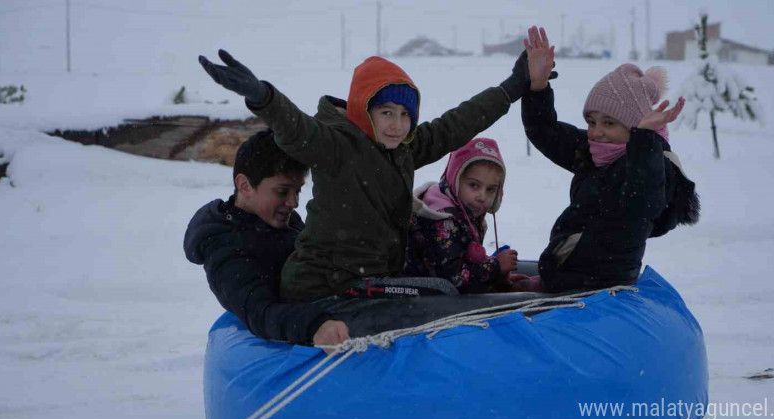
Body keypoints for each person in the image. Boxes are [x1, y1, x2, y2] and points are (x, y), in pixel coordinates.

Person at [198, 29, 554, 301]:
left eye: (404, 115)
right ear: (363, 111)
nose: (397, 125)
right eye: (386, 113)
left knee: (441, 288)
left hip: (374, 276)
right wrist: (263, 98)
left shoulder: (403, 148)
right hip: (329, 284)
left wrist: (512, 87)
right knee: (441, 294)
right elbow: (295, 129)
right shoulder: (335, 146)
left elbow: (457, 123)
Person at [520, 26, 700, 293]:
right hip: (568, 276)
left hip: (601, 289)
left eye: (609, 122)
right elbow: (544, 130)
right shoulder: (595, 152)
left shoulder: (652, 164)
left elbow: (642, 201)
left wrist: (645, 138)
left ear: (635, 127)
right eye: (592, 121)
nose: (597, 132)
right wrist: (538, 86)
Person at [183, 131, 349, 347]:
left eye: (297, 191)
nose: (293, 203)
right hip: (283, 344)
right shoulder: (226, 247)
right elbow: (260, 312)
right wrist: (314, 326)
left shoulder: (282, 220)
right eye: (282, 191)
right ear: (245, 186)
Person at [404, 138, 524, 293]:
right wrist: (495, 267)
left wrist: (496, 278)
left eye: (490, 190)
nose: (482, 196)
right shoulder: (439, 220)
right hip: (422, 301)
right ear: (456, 179)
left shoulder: (464, 211)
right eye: (474, 185)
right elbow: (454, 279)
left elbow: (463, 258)